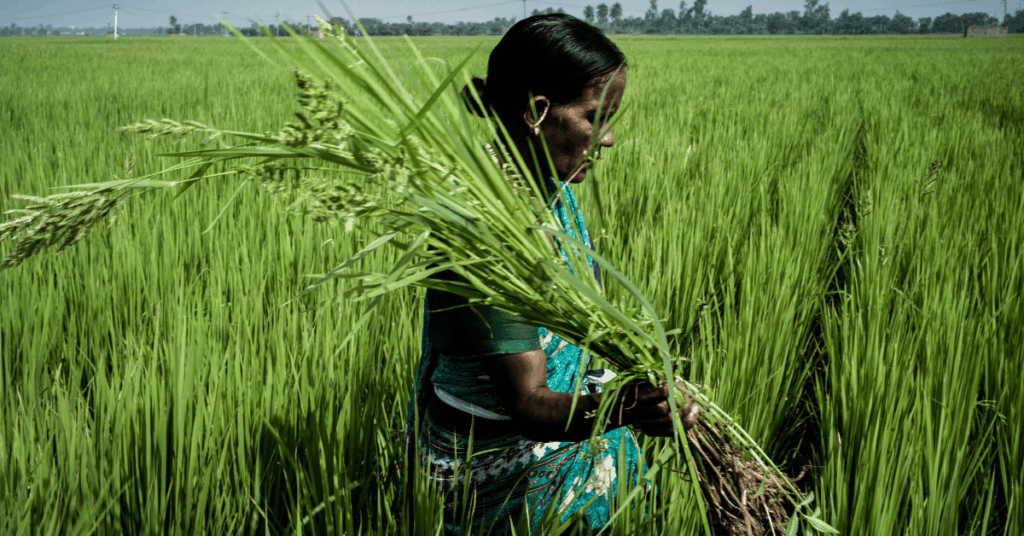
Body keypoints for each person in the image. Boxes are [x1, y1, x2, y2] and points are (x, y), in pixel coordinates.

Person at [400, 14, 698, 535]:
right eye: (595, 117)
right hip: (496, 471)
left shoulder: (547, 193)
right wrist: (627, 408)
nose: (606, 140)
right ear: (538, 112)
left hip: (555, 442)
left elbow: (580, 328)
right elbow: (529, 403)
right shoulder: (489, 229)